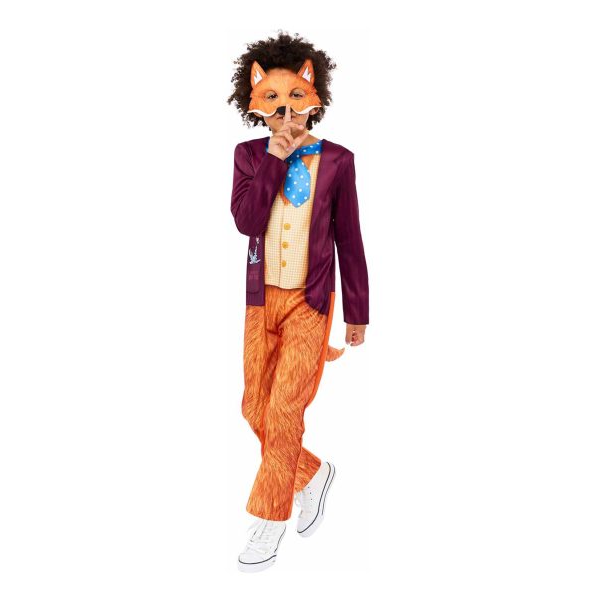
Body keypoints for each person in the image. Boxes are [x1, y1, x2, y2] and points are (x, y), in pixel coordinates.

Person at [227, 31, 369, 572]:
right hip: (260, 301)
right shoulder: (247, 156)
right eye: (273, 100)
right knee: (254, 407)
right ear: (255, 104)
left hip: (311, 300)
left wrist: (357, 310)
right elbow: (247, 222)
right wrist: (274, 160)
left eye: (295, 98)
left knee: (285, 410)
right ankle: (312, 473)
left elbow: (349, 238)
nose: (285, 111)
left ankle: (269, 518)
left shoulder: (338, 161)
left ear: (314, 97)